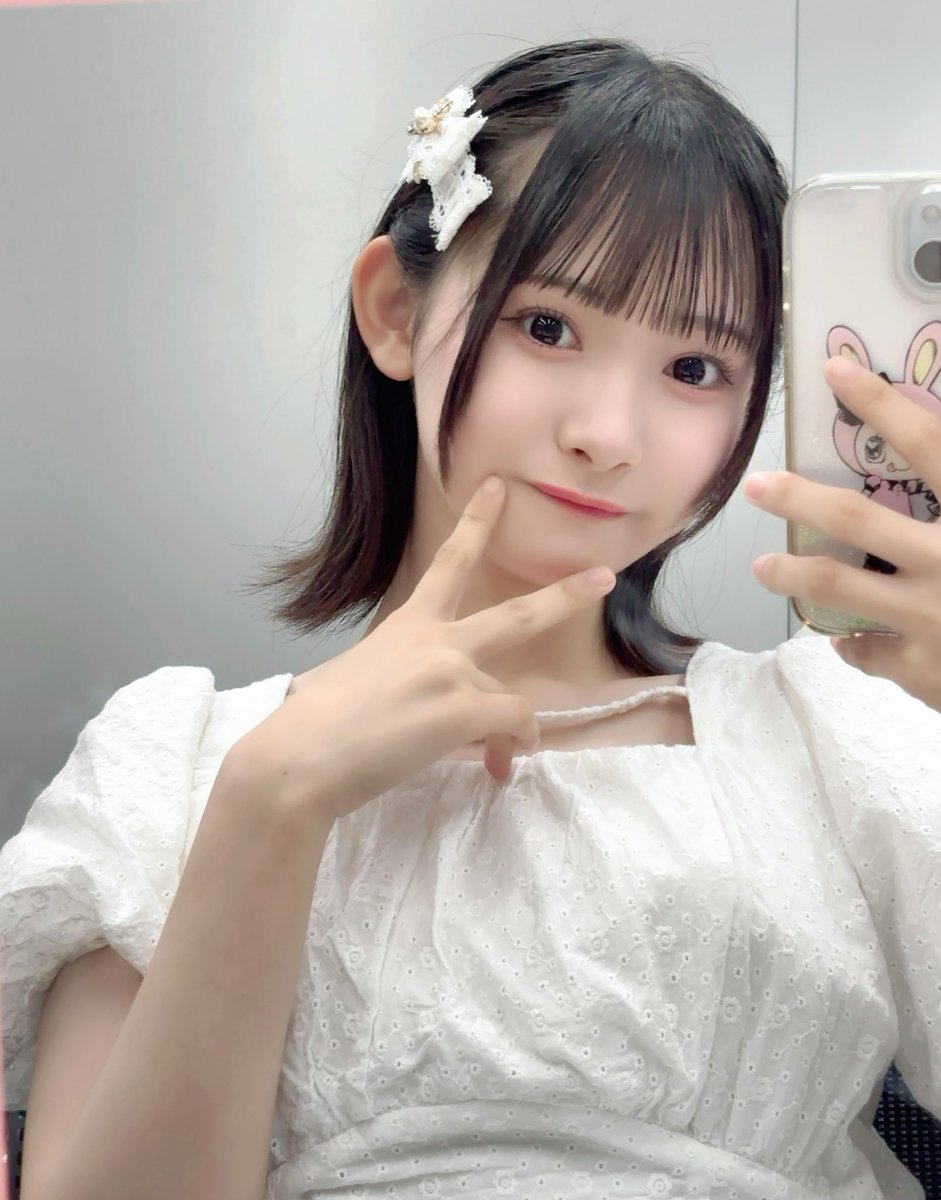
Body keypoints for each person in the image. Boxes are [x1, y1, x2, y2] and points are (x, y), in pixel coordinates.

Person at [2, 35, 940, 1200]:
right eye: (546, 327)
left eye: (694, 368)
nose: (607, 433)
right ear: (395, 310)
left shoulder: (834, 737)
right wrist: (272, 803)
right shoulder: (175, 767)